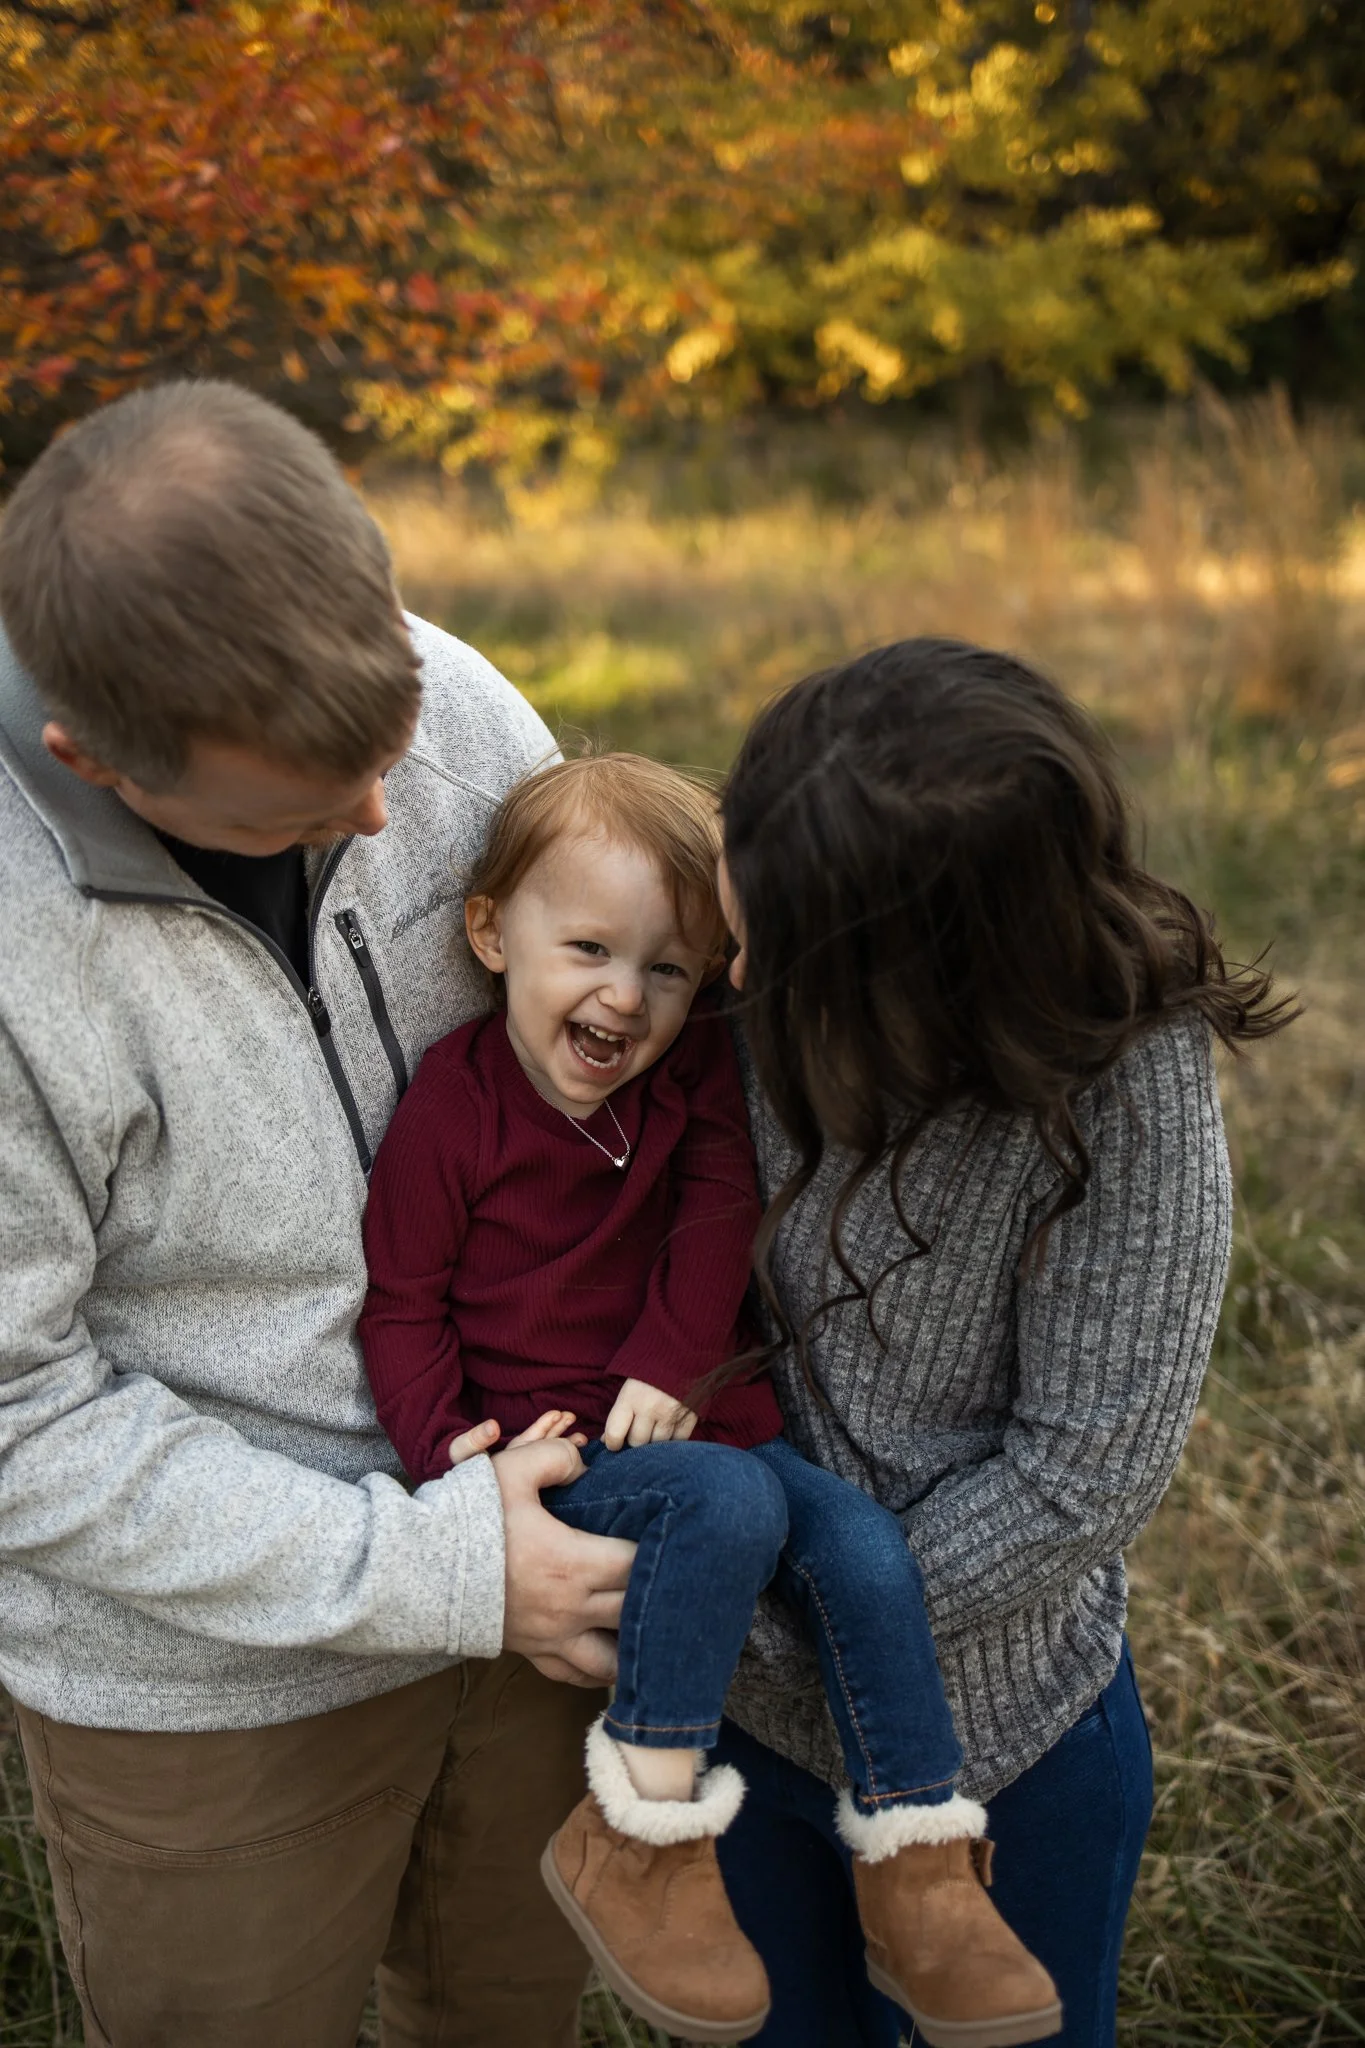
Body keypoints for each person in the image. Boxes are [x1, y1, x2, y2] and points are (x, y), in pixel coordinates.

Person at [0, 380, 637, 2048]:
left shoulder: (460, 706)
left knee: (507, 2013)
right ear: (91, 762)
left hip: (548, 1565)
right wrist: (434, 1569)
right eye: (289, 813)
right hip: (210, 1687)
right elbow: (16, 1418)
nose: (375, 822)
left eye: (389, 751)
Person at [359, 751, 1060, 2048]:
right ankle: (639, 1827)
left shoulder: (685, 1084)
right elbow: (401, 1306)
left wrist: (676, 1363)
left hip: (701, 1417)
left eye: (669, 969)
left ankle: (916, 1860)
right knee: (728, 1505)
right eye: (588, 949)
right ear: (491, 935)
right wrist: (448, 1462)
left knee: (862, 1545)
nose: (625, 997)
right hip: (563, 1455)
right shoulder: (452, 1112)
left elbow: (719, 1211)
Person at [708, 638, 1295, 2048]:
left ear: (916, 973)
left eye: (770, 929)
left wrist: (780, 1630)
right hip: (741, 1741)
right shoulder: (747, 972)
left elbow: (1080, 1475)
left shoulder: (1126, 1085)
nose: (730, 932)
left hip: (1003, 1744)